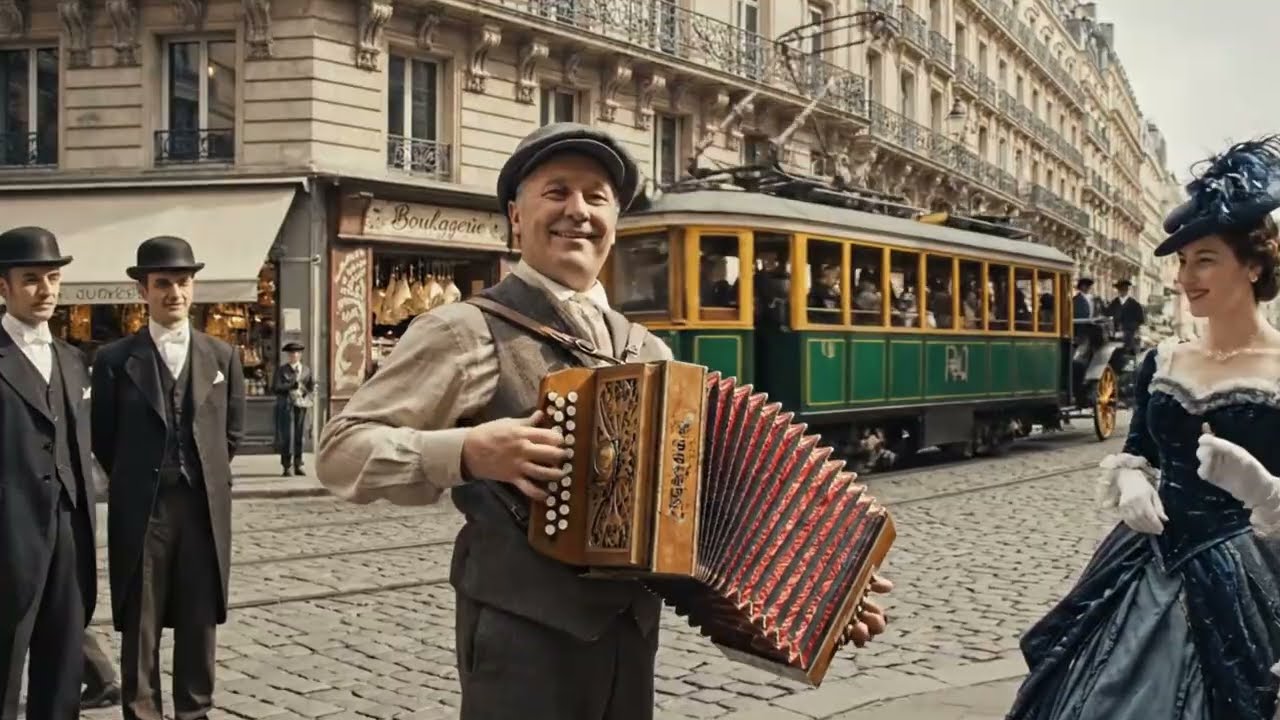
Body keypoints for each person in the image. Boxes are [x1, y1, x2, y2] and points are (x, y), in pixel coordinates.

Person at [316, 122, 892, 720]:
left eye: (596, 197)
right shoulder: (461, 330)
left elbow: (703, 514)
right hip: (522, 642)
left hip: (629, 643)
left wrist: (828, 596)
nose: (578, 211)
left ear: (615, 223)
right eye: (556, 192)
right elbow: (339, 453)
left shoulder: (649, 353)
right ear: (516, 216)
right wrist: (467, 452)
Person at [1006, 136, 1280, 719]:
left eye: (1204, 258)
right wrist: (1133, 482)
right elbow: (1139, 451)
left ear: (1254, 265)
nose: (1185, 277)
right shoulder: (1164, 360)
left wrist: (1264, 492)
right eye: (1182, 262)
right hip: (1141, 564)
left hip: (1241, 574)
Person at [91, 236, 245, 720]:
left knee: (199, 619)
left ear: (193, 288)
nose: (174, 293)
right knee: (142, 619)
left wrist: (201, 471)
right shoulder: (115, 360)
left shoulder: (222, 356)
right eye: (162, 284)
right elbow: (104, 438)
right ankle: (141, 711)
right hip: (144, 508)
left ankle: (194, 711)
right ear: (143, 292)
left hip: (201, 508)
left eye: (182, 282)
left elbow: (232, 434)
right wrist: (141, 477)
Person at [0, 227, 98, 720]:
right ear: (5, 288)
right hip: (8, 537)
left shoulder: (72, 360)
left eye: (53, 277)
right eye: (31, 278)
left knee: (62, 664)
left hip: (69, 533)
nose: (45, 290)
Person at [272, 341, 314, 476]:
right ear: (288, 356)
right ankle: (286, 466)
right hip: (286, 406)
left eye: (296, 353)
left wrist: (308, 394)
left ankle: (298, 464)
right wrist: (291, 385)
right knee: (287, 436)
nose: (294, 356)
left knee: (299, 436)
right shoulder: (282, 370)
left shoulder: (306, 370)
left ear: (300, 355)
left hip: (301, 406)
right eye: (291, 354)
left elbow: (311, 387)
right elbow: (276, 387)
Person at [1107, 279, 1145, 354]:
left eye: (1124, 289)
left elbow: (1140, 320)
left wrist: (1128, 328)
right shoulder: (1113, 304)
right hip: (1115, 336)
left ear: (1127, 290)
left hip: (1129, 335)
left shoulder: (1135, 305)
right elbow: (1108, 316)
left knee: (1128, 354)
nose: (1122, 291)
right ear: (1118, 290)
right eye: (1120, 289)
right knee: (1115, 354)